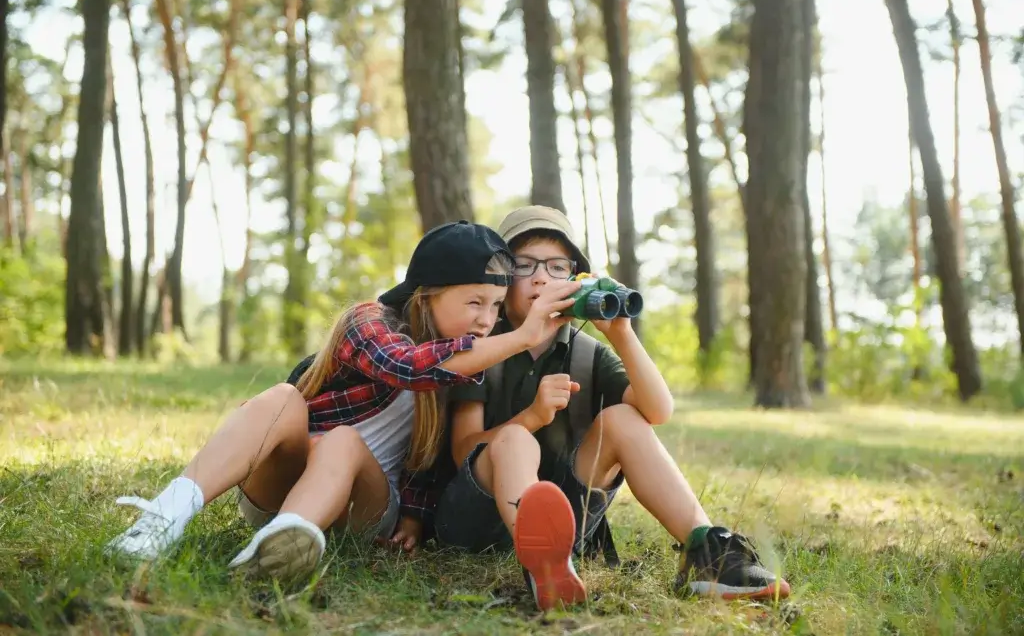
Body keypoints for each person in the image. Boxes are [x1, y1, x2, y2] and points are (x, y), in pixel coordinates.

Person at [105, 220, 583, 583]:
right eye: (475, 303)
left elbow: (430, 459)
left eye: (496, 307)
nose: (487, 320)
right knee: (284, 398)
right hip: (281, 480)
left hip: (363, 506)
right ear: (426, 296)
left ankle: (286, 543)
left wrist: (415, 515)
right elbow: (408, 366)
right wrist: (520, 336)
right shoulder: (368, 322)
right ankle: (165, 517)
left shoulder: (468, 362)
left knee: (344, 442)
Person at [433, 206, 791, 611]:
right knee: (515, 438)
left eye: (556, 267)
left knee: (623, 417)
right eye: (523, 265)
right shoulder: (482, 344)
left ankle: (705, 551)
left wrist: (621, 335)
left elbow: (658, 411)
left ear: (574, 279)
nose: (540, 277)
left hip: (568, 530)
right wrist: (531, 417)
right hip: (475, 520)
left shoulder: (587, 354)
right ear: (498, 277)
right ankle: (540, 565)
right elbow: (464, 451)